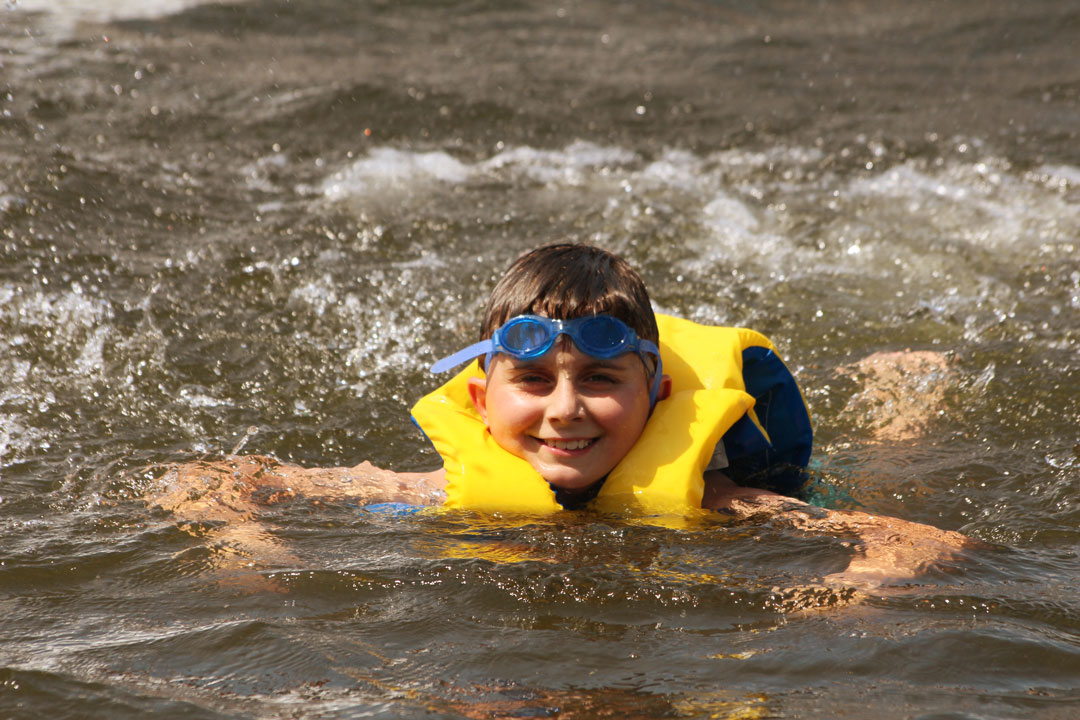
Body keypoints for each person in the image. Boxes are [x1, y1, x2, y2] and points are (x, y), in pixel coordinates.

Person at [149, 243, 978, 588]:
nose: (565, 410)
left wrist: (838, 602)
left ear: (655, 395)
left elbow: (919, 540)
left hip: (769, 478)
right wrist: (244, 546)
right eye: (536, 381)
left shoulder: (723, 505)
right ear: (483, 397)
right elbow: (211, 479)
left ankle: (905, 404)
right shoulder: (436, 488)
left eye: (599, 380)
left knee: (871, 472)